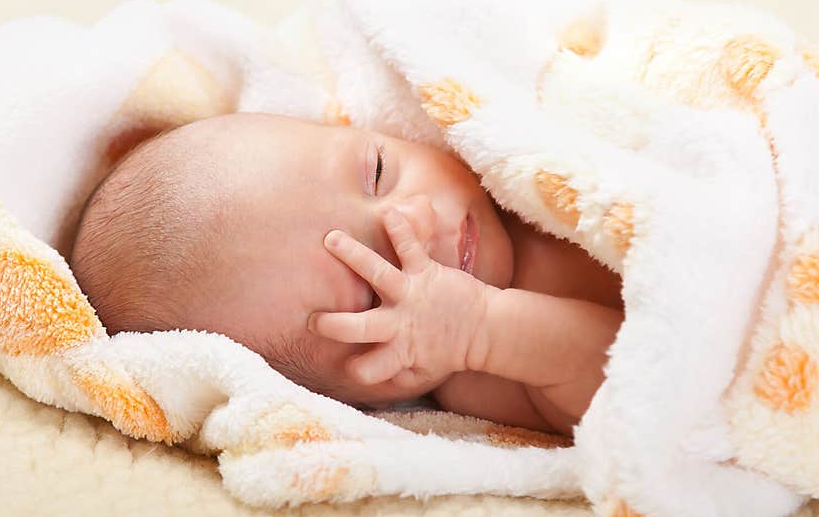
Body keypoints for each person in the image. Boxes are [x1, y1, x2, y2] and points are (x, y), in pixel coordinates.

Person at [70, 112, 624, 435]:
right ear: (363, 396)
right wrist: (480, 329)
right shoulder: (483, 375)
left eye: (378, 172)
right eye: (374, 287)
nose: (412, 221)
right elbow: (634, 385)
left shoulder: (502, 146)